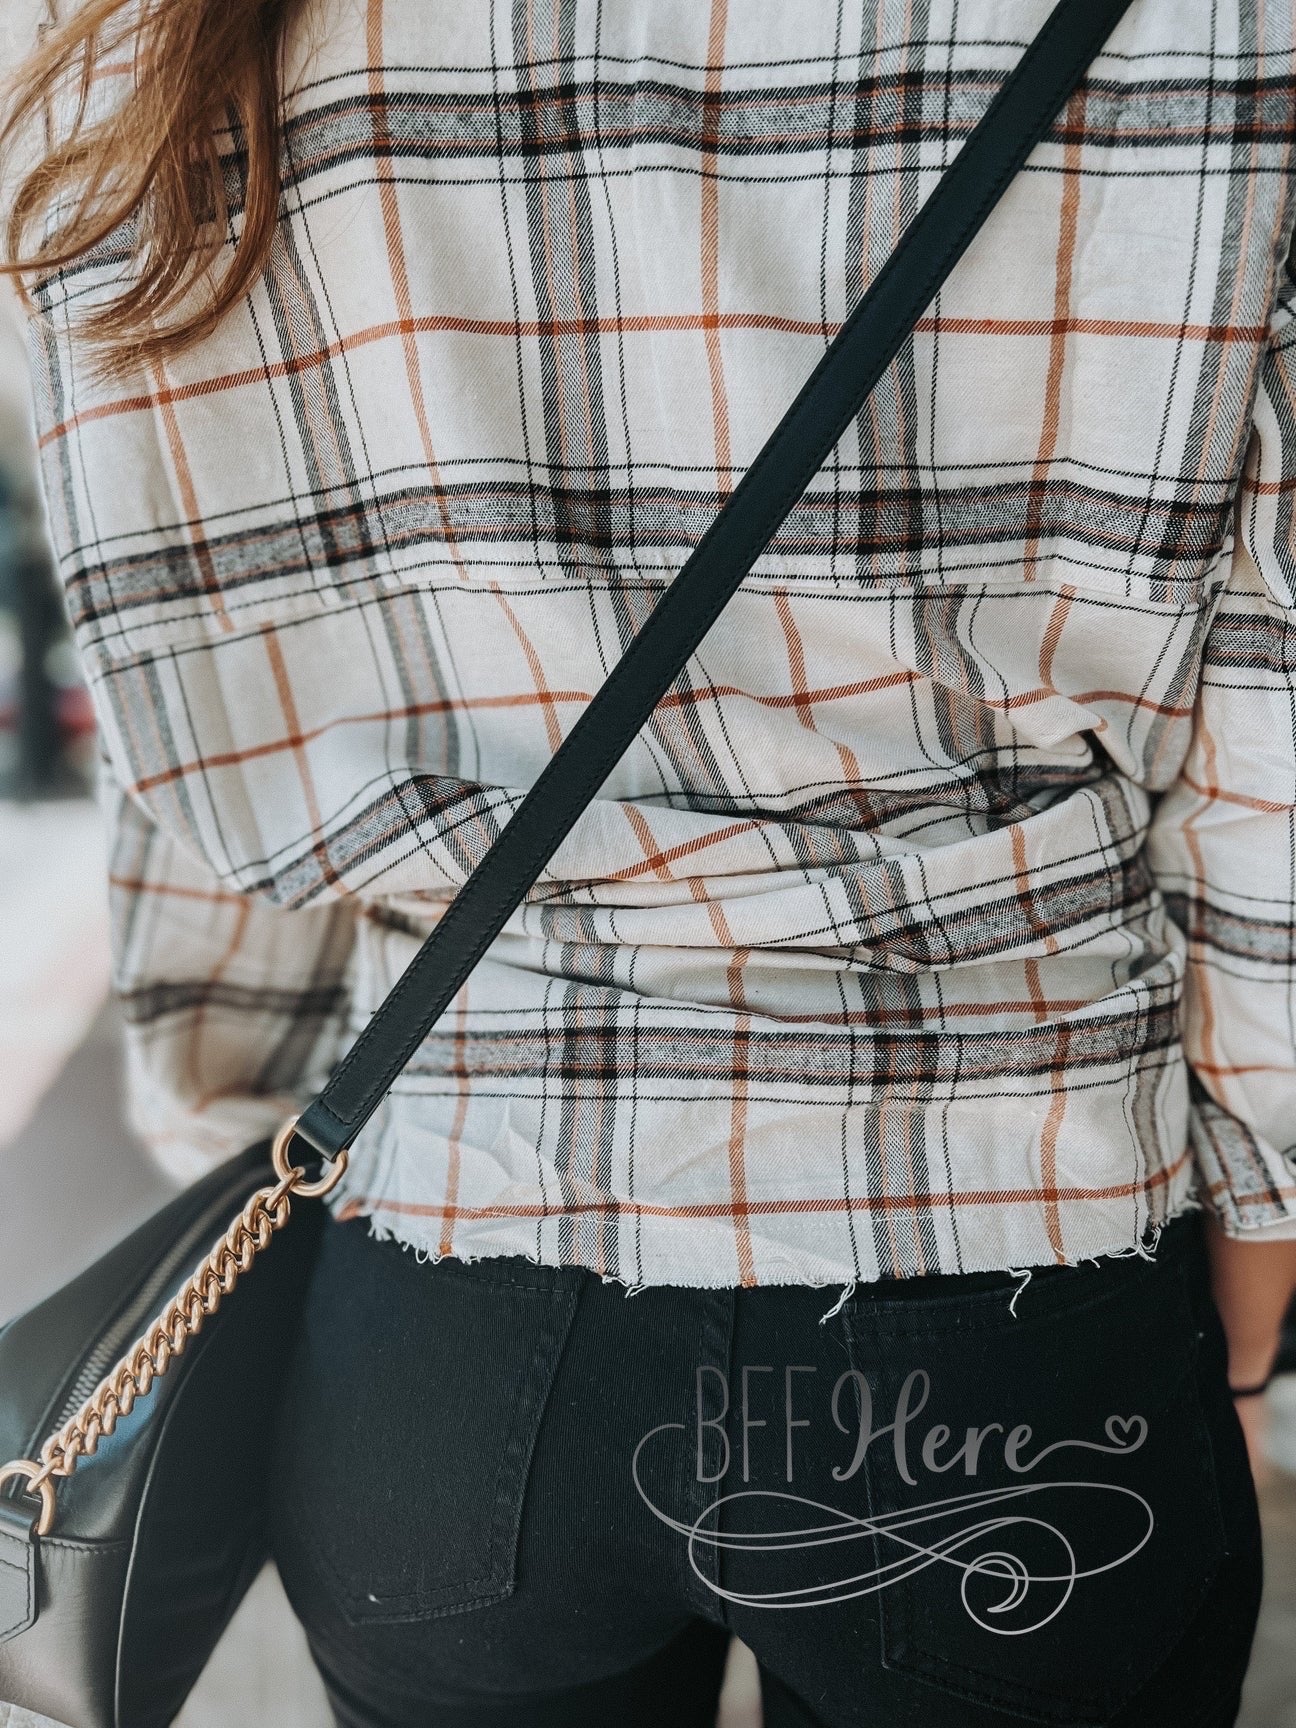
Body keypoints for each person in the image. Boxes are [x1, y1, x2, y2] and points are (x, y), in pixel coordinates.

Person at [3, 2, 1295, 1724]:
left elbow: (187, 712)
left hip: (445, 1291)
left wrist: (232, 1132)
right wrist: (1261, 1218)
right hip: (1017, 1264)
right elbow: (1271, 721)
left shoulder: (142, 45)